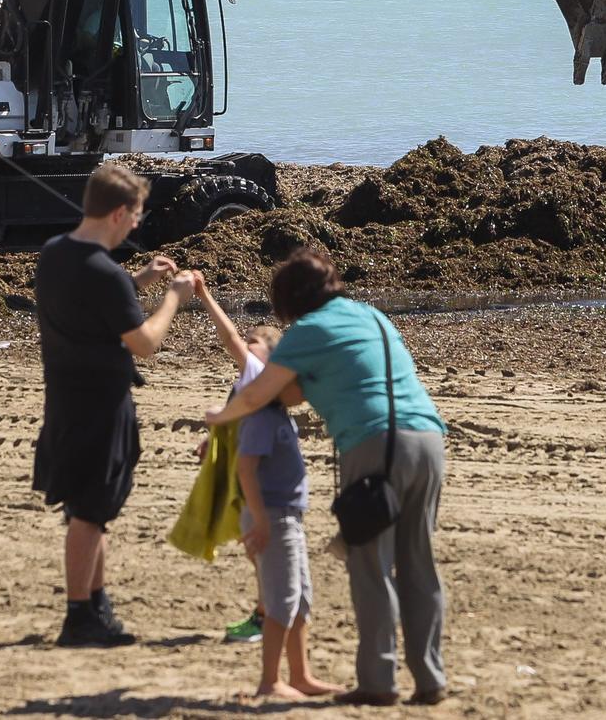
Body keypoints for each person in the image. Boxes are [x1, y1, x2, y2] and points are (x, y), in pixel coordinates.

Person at [204, 245, 448, 707]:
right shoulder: (370, 314)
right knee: (419, 564)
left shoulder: (306, 332)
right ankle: (430, 678)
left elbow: (260, 395)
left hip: (375, 445)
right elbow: (302, 392)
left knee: (371, 564)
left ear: (289, 302)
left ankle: (378, 681)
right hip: (430, 439)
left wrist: (221, 417)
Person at [32, 162, 197, 648]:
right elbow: (144, 342)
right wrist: (173, 298)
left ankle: (96, 605)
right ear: (120, 213)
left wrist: (137, 281)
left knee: (92, 509)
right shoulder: (103, 274)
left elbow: (92, 295)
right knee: (89, 512)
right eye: (137, 215)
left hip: (65, 397)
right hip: (100, 403)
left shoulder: (55, 253)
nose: (138, 223)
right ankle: (79, 616)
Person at [193, 277, 336, 699]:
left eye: (260, 340)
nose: (249, 344)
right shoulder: (256, 383)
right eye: (251, 340)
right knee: (281, 599)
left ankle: (300, 675)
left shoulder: (262, 395)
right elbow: (230, 337)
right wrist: (204, 296)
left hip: (286, 512)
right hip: (270, 512)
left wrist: (217, 434)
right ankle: (270, 681)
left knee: (299, 600)